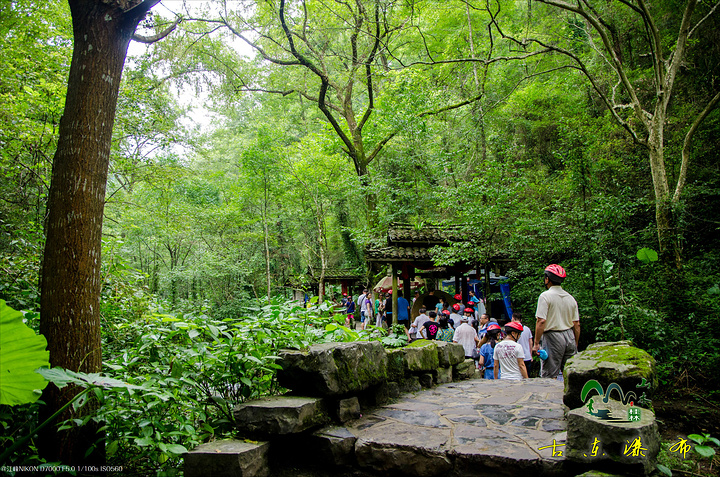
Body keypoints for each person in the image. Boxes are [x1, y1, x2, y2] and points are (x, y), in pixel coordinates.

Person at [533, 264, 580, 379]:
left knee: (550, 375)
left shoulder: (545, 296)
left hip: (552, 336)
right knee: (570, 373)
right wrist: (575, 342)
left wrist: (536, 343)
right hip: (570, 336)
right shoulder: (570, 298)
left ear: (547, 279)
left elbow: (541, 321)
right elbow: (577, 324)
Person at [512, 312, 534, 377]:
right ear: (521, 320)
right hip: (527, 356)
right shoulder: (527, 329)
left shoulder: (511, 330)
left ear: (513, 319)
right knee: (527, 375)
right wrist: (531, 355)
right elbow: (530, 342)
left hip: (516, 357)